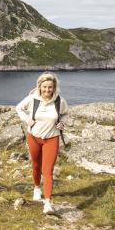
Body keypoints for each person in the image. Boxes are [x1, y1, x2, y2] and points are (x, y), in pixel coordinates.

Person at [15, 72, 68, 215]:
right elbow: (18, 108)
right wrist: (27, 120)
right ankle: (37, 187)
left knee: (48, 171)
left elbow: (65, 113)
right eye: (44, 87)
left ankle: (48, 203)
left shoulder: (59, 101)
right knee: (36, 165)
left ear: (54, 87)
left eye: (50, 87)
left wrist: (62, 122)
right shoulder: (33, 99)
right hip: (34, 137)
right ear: (39, 86)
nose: (47, 90)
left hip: (52, 138)